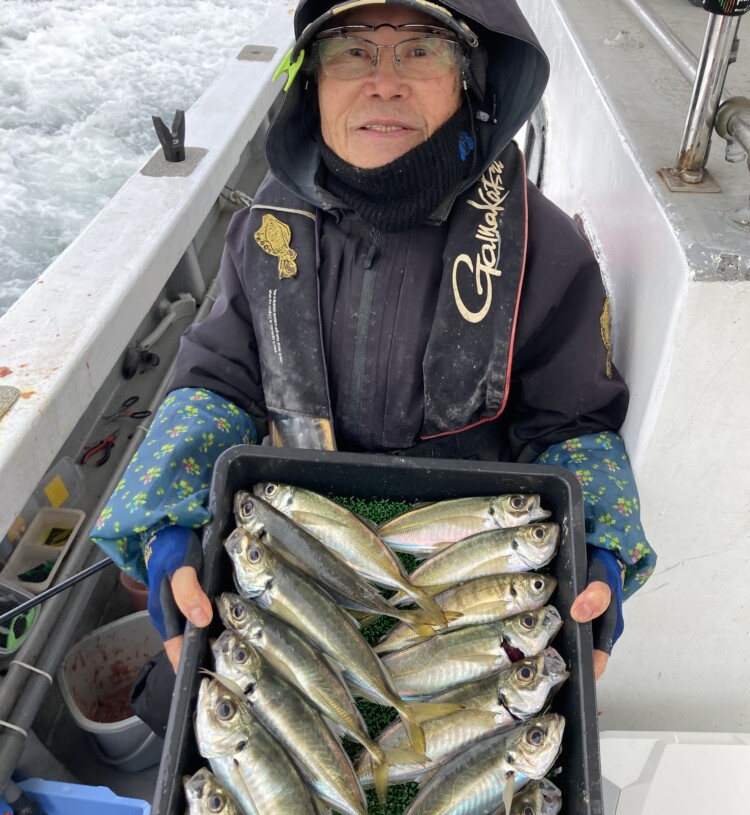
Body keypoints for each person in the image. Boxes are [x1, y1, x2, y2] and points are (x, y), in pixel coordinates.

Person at [92, 0, 656, 709]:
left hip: (468, 576)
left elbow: (574, 426)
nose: (384, 82)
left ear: (471, 80)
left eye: (421, 50)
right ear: (312, 84)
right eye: (351, 51)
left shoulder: (546, 251)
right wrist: (167, 519)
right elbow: (218, 379)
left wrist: (599, 540)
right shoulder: (266, 232)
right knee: (166, 702)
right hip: (293, 556)